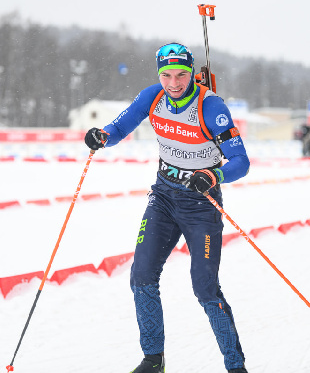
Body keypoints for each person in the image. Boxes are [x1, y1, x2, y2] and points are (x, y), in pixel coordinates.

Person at [84, 42, 250, 373]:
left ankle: (235, 367)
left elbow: (241, 162)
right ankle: (153, 360)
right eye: (167, 75)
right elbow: (119, 127)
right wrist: (102, 136)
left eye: (181, 75)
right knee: (142, 275)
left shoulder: (210, 106)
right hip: (163, 198)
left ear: (191, 73)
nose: (174, 83)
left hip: (201, 205)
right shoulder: (152, 97)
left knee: (205, 288)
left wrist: (214, 174)